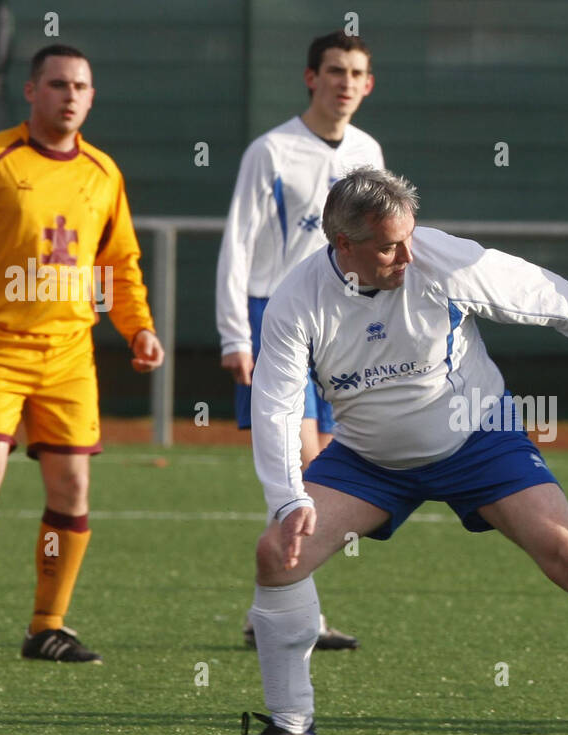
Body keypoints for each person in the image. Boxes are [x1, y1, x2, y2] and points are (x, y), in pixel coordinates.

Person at [199, 167, 568, 735]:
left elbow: (541, 292)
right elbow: (275, 404)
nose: (406, 254)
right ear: (342, 245)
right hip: (369, 461)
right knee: (278, 554)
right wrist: (287, 499)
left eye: (409, 236)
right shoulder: (297, 299)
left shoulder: (441, 259)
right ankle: (292, 731)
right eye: (387, 246)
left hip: (480, 438)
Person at [0, 44, 164, 664]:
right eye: (57, 85)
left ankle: (46, 626)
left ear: (92, 96)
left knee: (73, 487)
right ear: (31, 92)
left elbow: (120, 265)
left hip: (70, 353)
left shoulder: (104, 173)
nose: (69, 96)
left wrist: (138, 329)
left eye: (80, 86)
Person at [215, 30, 383, 651]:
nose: (344, 81)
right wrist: (236, 333)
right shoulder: (272, 150)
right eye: (334, 70)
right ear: (311, 78)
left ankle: (277, 613)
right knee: (307, 468)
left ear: (368, 84)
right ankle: (289, 615)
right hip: (274, 319)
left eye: (355, 72)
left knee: (326, 471)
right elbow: (237, 243)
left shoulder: (367, 151)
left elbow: (382, 245)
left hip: (342, 325)